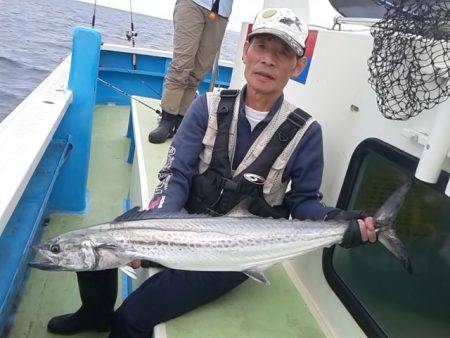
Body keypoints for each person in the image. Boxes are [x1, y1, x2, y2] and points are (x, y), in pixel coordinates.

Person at [46, 7, 377, 337]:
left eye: (283, 53)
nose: (268, 60)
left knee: (131, 319)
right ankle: (94, 313)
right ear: (246, 52)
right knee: (100, 239)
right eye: (261, 47)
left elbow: (303, 202)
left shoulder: (306, 132)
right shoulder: (206, 105)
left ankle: (116, 319)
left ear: (297, 66)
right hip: (182, 221)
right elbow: (177, 172)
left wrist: (338, 221)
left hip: (234, 249)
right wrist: (154, 228)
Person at [148, 0, 233, 144]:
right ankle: (167, 119)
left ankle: (182, 119)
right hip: (192, 4)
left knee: (199, 71)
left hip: (221, 12)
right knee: (181, 66)